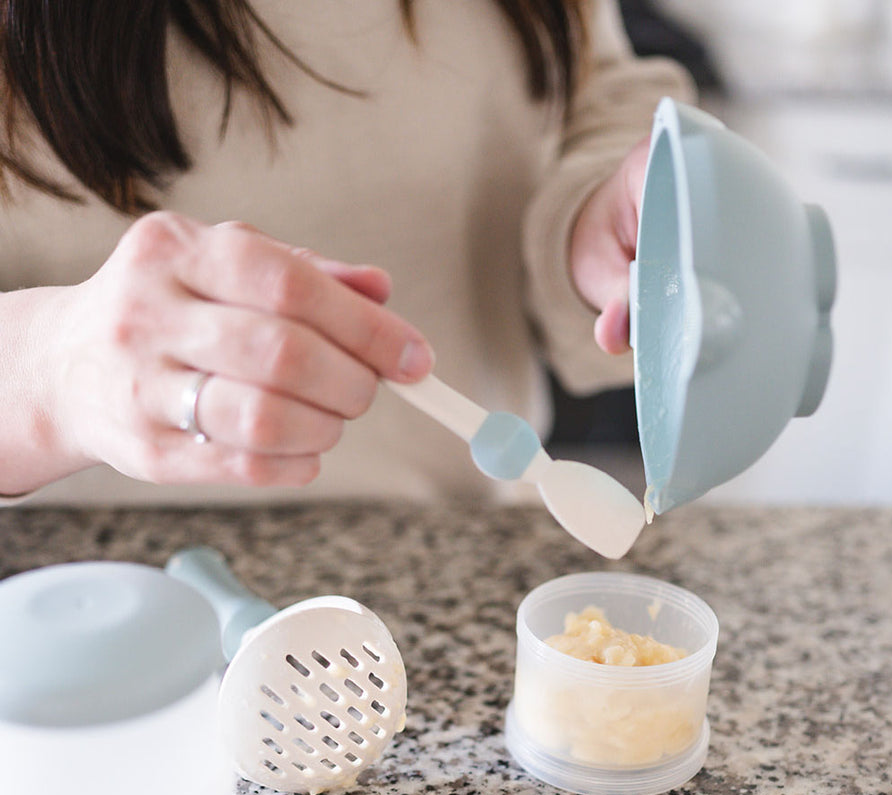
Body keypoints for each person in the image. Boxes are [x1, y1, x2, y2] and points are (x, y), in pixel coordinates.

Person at [0, 0, 694, 506]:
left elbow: (592, 86)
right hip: (69, 609)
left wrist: (595, 217)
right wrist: (52, 371)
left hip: (453, 546)